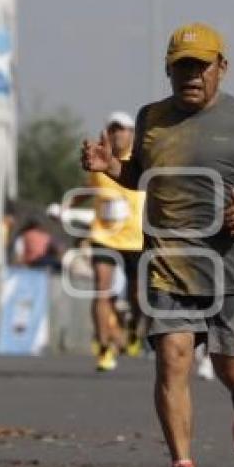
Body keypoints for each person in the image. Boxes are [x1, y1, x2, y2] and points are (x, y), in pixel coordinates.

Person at [81, 22, 234, 467]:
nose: (191, 76)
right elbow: (141, 177)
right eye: (181, 68)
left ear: (222, 68)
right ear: (168, 71)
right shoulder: (150, 118)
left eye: (200, 67)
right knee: (172, 360)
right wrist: (111, 168)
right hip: (167, 264)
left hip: (230, 268)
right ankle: (182, 466)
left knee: (233, 370)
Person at [82, 112, 145, 371]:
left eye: (123, 130)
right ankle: (104, 346)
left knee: (138, 295)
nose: (118, 134)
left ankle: (131, 328)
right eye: (113, 129)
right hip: (104, 236)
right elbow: (88, 191)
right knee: (102, 289)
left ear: (132, 134)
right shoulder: (99, 160)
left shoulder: (141, 161)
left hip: (135, 238)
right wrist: (65, 207)